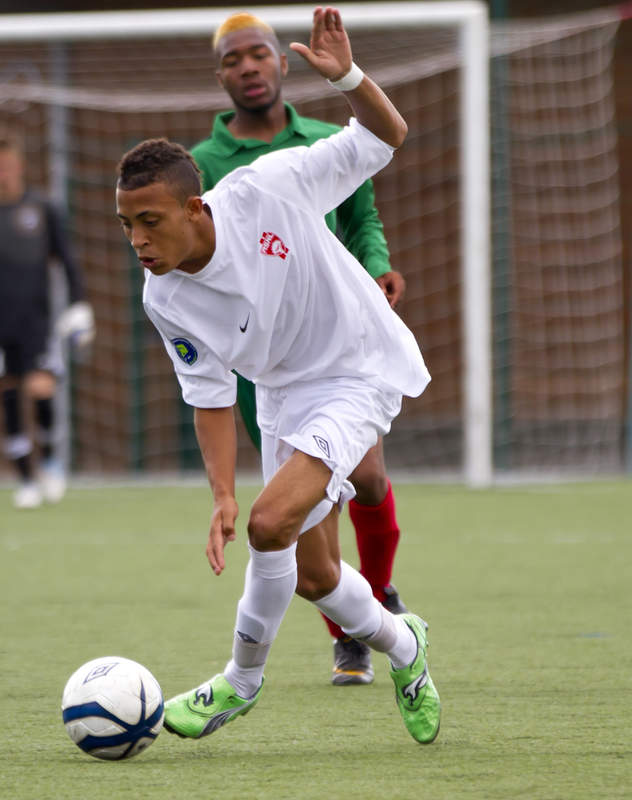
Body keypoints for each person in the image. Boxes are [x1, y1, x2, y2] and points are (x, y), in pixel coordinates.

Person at [114, 7, 440, 743]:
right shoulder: (162, 296)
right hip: (284, 394)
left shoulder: (272, 185)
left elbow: (387, 136)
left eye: (150, 222)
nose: (138, 240)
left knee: (272, 526)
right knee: (318, 576)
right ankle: (406, 645)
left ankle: (240, 680)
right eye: (126, 225)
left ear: (196, 208)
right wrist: (222, 492)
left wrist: (348, 79)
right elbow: (209, 396)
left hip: (357, 367)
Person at [192, 11, 411, 686]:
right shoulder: (198, 167)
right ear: (220, 75)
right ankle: (351, 633)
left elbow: (362, 218)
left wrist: (377, 264)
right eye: (233, 60)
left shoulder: (321, 139)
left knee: (367, 479)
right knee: (307, 512)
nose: (249, 67)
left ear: (282, 64)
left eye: (258, 54)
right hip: (265, 363)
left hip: (337, 343)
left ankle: (380, 598)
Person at [0, 131, 94, 509]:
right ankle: (26, 480)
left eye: (7, 166)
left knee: (41, 390)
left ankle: (49, 463)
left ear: (20, 166)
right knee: (8, 396)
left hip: (37, 320)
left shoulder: (43, 209)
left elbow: (68, 260)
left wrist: (80, 305)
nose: (1, 174)